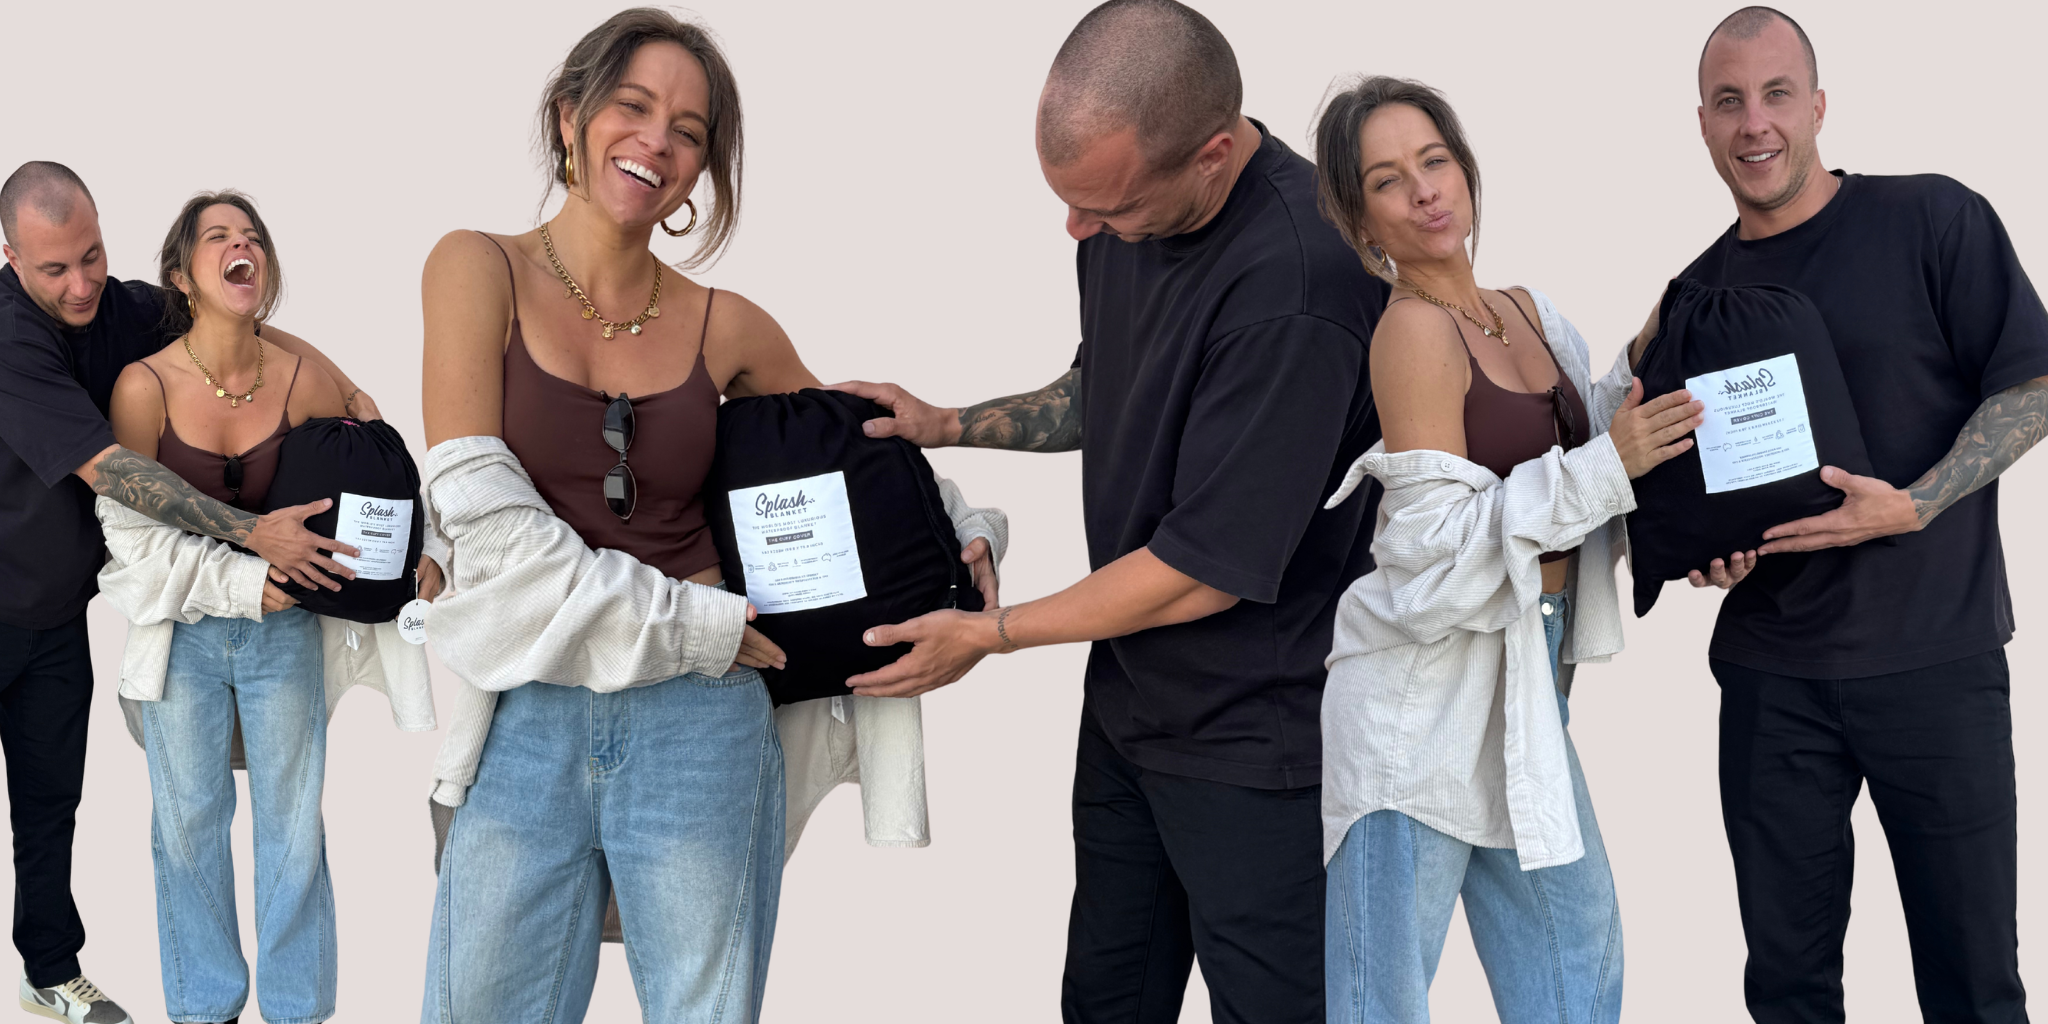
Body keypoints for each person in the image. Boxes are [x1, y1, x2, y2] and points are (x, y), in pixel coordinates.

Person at [412, 10, 1001, 1022]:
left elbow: (853, 466)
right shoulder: (475, 266)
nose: (657, 142)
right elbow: (484, 516)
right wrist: (696, 622)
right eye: (633, 106)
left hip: (703, 717)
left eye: (688, 131)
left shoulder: (727, 323)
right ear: (568, 117)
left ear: (701, 169)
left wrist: (967, 529)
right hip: (530, 702)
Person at [833, 2, 1383, 1019]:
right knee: (1105, 1001)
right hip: (1129, 711)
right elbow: (1109, 386)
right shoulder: (1125, 215)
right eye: (1069, 204)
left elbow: (1202, 571)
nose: (1079, 231)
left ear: (1211, 155)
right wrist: (946, 423)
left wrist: (989, 633)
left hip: (1258, 742)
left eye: (1105, 208)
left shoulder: (1301, 284)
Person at [1665, 8, 2047, 1022]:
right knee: (1787, 989)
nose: (1754, 123)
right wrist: (1710, 552)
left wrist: (1914, 506)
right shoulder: (1694, 295)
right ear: (1700, 123)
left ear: (1818, 106)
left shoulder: (1931, 218)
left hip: (1935, 663)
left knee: (1974, 983)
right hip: (1771, 682)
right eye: (1728, 101)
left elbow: (2031, 385)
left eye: (1776, 94)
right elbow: (1691, 484)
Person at [1309, 76, 1709, 1024]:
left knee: (1576, 963)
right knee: (1382, 1002)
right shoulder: (1412, 333)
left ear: (1465, 167)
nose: (1424, 191)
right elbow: (1433, 560)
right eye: (1388, 180)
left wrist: (1663, 332)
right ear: (1360, 220)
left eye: (1435, 160)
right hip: (1418, 707)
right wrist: (1610, 462)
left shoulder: (1523, 309)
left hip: (1525, 691)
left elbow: (1592, 444)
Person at [0, 162, 383, 1024]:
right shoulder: (12, 339)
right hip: (41, 600)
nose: (81, 284)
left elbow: (250, 324)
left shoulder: (127, 306)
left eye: (92, 256)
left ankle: (50, 971)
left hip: (57, 612)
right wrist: (251, 539)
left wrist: (354, 393)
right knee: (186, 827)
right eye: (55, 269)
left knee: (50, 804)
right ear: (13, 258)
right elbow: (114, 477)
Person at [92, 190, 438, 1024]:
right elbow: (130, 539)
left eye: (251, 236)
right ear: (182, 275)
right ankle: (202, 1010)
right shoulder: (143, 387)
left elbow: (374, 470)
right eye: (216, 236)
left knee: (292, 830)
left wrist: (418, 556)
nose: (239, 244)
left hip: (286, 633)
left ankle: (297, 1010)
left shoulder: (303, 378)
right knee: (188, 828)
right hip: (180, 633)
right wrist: (247, 575)